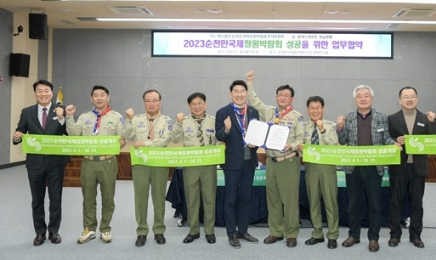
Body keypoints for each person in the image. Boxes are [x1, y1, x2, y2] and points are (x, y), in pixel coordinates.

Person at [336, 85, 402, 252]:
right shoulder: (348, 117)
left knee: (374, 204)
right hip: (353, 168)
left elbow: (386, 138)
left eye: (366, 96)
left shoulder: (381, 117)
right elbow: (342, 141)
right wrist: (340, 127)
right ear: (355, 99)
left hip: (374, 168)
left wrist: (392, 143)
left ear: (371, 99)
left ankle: (373, 238)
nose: (363, 98)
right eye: (359, 96)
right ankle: (354, 235)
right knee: (353, 204)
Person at [245, 71, 304, 248]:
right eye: (280, 94)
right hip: (270, 162)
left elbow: (301, 138)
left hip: (288, 161)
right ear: (276, 97)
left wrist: (291, 146)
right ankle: (276, 232)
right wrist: (249, 83)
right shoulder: (269, 112)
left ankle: (291, 233)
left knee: (290, 200)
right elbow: (254, 100)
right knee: (273, 199)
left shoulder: (296, 116)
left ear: (292, 99)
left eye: (286, 95)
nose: (283, 97)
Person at [12, 79, 71, 246]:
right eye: (39, 91)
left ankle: (54, 231)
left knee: (55, 198)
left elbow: (69, 132)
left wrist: (62, 119)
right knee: (37, 200)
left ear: (52, 93)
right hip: (35, 163)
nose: (43, 94)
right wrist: (16, 136)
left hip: (56, 162)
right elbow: (20, 131)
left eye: (46, 91)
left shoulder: (61, 110)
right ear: (35, 93)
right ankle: (39, 232)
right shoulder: (27, 112)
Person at [65, 85, 125, 244]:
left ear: (108, 97)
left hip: (108, 162)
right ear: (91, 99)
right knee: (88, 197)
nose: (99, 98)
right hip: (88, 162)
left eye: (102, 95)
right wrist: (69, 117)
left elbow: (122, 139)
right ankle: (89, 228)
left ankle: (105, 228)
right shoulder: (84, 117)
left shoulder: (117, 117)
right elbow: (73, 134)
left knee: (108, 197)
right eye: (96, 95)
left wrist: (122, 141)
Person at [121, 89, 173, 247]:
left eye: (155, 100)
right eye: (148, 100)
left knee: (159, 199)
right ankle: (142, 231)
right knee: (140, 199)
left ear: (160, 102)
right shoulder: (136, 119)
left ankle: (159, 230)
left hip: (159, 164)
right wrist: (129, 119)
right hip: (141, 164)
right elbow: (126, 134)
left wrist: (146, 144)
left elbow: (164, 141)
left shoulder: (167, 121)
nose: (151, 103)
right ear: (144, 102)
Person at [387, 86, 435, 248]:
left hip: (418, 168)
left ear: (417, 99)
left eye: (412, 96)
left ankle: (416, 236)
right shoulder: (392, 119)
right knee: (395, 202)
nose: (409, 99)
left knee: (417, 203)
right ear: (400, 100)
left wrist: (433, 122)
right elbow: (386, 138)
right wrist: (395, 140)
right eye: (405, 97)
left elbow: (433, 140)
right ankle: (394, 235)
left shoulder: (425, 118)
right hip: (398, 167)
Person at [215, 79, 260, 249]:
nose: (239, 94)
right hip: (232, 162)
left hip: (250, 161)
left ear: (246, 93)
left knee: (246, 198)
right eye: (236, 91)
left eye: (242, 91)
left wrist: (255, 141)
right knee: (231, 199)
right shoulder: (222, 112)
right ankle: (231, 233)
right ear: (230, 93)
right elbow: (219, 136)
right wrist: (226, 129)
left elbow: (258, 133)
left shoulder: (253, 111)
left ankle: (243, 230)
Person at [171, 92, 218, 244]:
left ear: (206, 104)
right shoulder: (183, 121)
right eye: (193, 104)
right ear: (189, 106)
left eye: (200, 103)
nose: (197, 106)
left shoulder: (213, 121)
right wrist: (178, 123)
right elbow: (174, 138)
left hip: (208, 166)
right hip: (190, 166)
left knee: (209, 199)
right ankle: (193, 231)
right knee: (192, 200)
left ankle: (210, 232)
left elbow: (220, 140)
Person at [298, 96, 339, 249]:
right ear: (308, 110)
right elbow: (301, 149)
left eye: (318, 107)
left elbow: (334, 146)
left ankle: (333, 235)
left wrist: (322, 130)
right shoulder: (304, 127)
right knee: (313, 202)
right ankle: (317, 233)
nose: (315, 110)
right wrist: (300, 149)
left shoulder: (331, 126)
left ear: (323, 109)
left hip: (328, 167)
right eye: (312, 108)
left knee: (330, 203)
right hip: (311, 168)